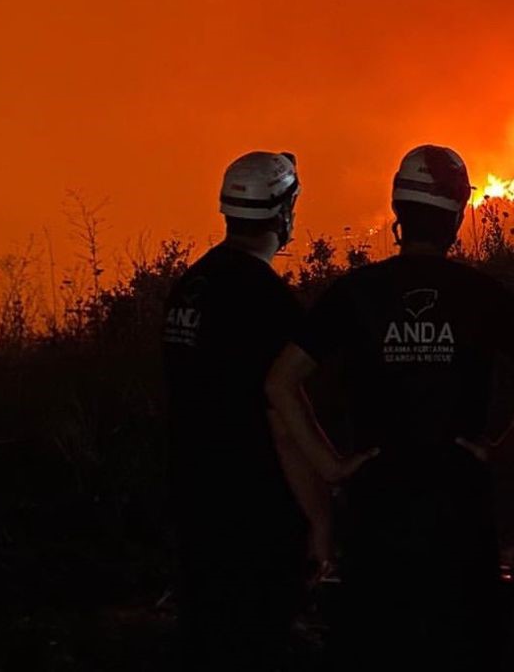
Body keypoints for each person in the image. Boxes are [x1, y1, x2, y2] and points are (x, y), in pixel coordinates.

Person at [265, 145, 514, 672]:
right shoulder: (482, 294)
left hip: (375, 517)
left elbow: (279, 383)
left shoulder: (356, 293)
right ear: (456, 216)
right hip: (461, 517)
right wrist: (502, 452)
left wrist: (332, 467)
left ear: (397, 213)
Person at [162, 151, 330, 670]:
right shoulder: (265, 298)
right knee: (257, 639)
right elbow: (282, 419)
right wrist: (322, 518)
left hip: (194, 500)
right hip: (253, 509)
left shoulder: (191, 286)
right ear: (284, 212)